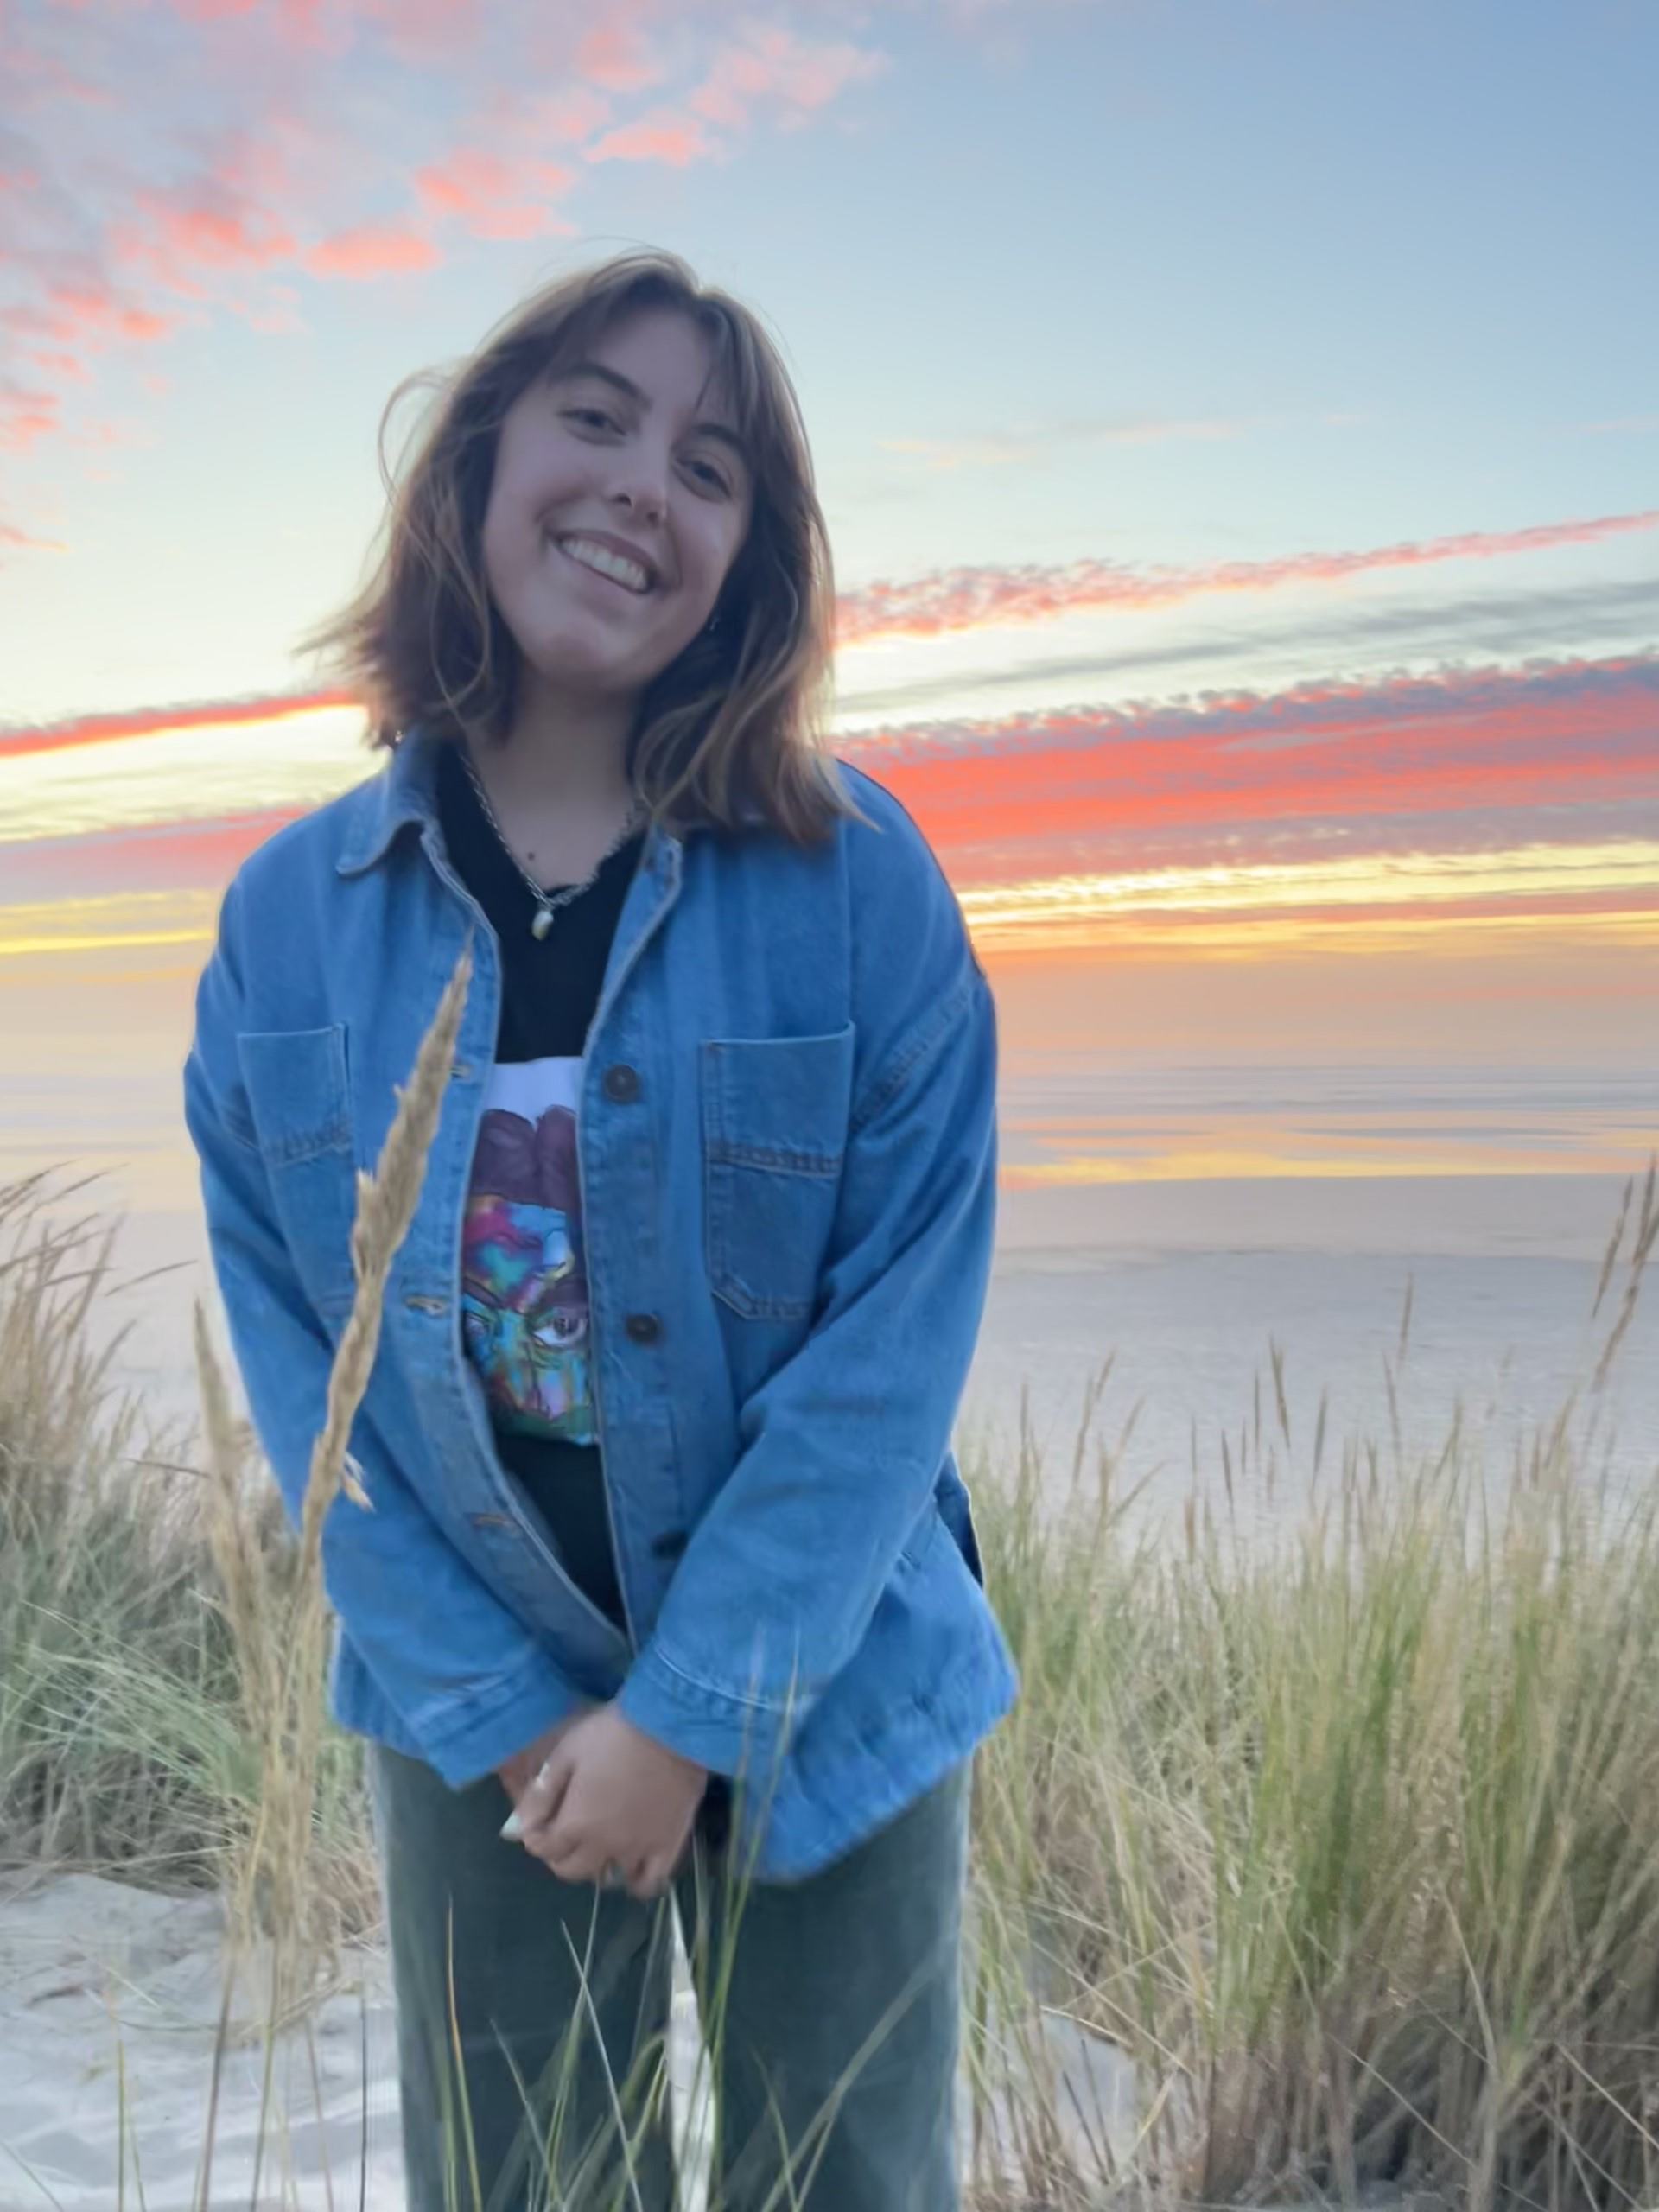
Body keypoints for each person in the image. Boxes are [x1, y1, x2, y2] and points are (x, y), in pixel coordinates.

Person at [183, 245, 1019, 2211]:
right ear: (477, 464)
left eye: (712, 463)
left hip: (834, 1670)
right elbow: (313, 1382)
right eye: (595, 417)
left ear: (754, 555)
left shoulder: (856, 879)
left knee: (849, 2181)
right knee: (528, 2182)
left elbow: (896, 1340)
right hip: (477, 1696)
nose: (648, 482)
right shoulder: (288, 923)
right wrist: (507, 1707)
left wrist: (692, 1715)